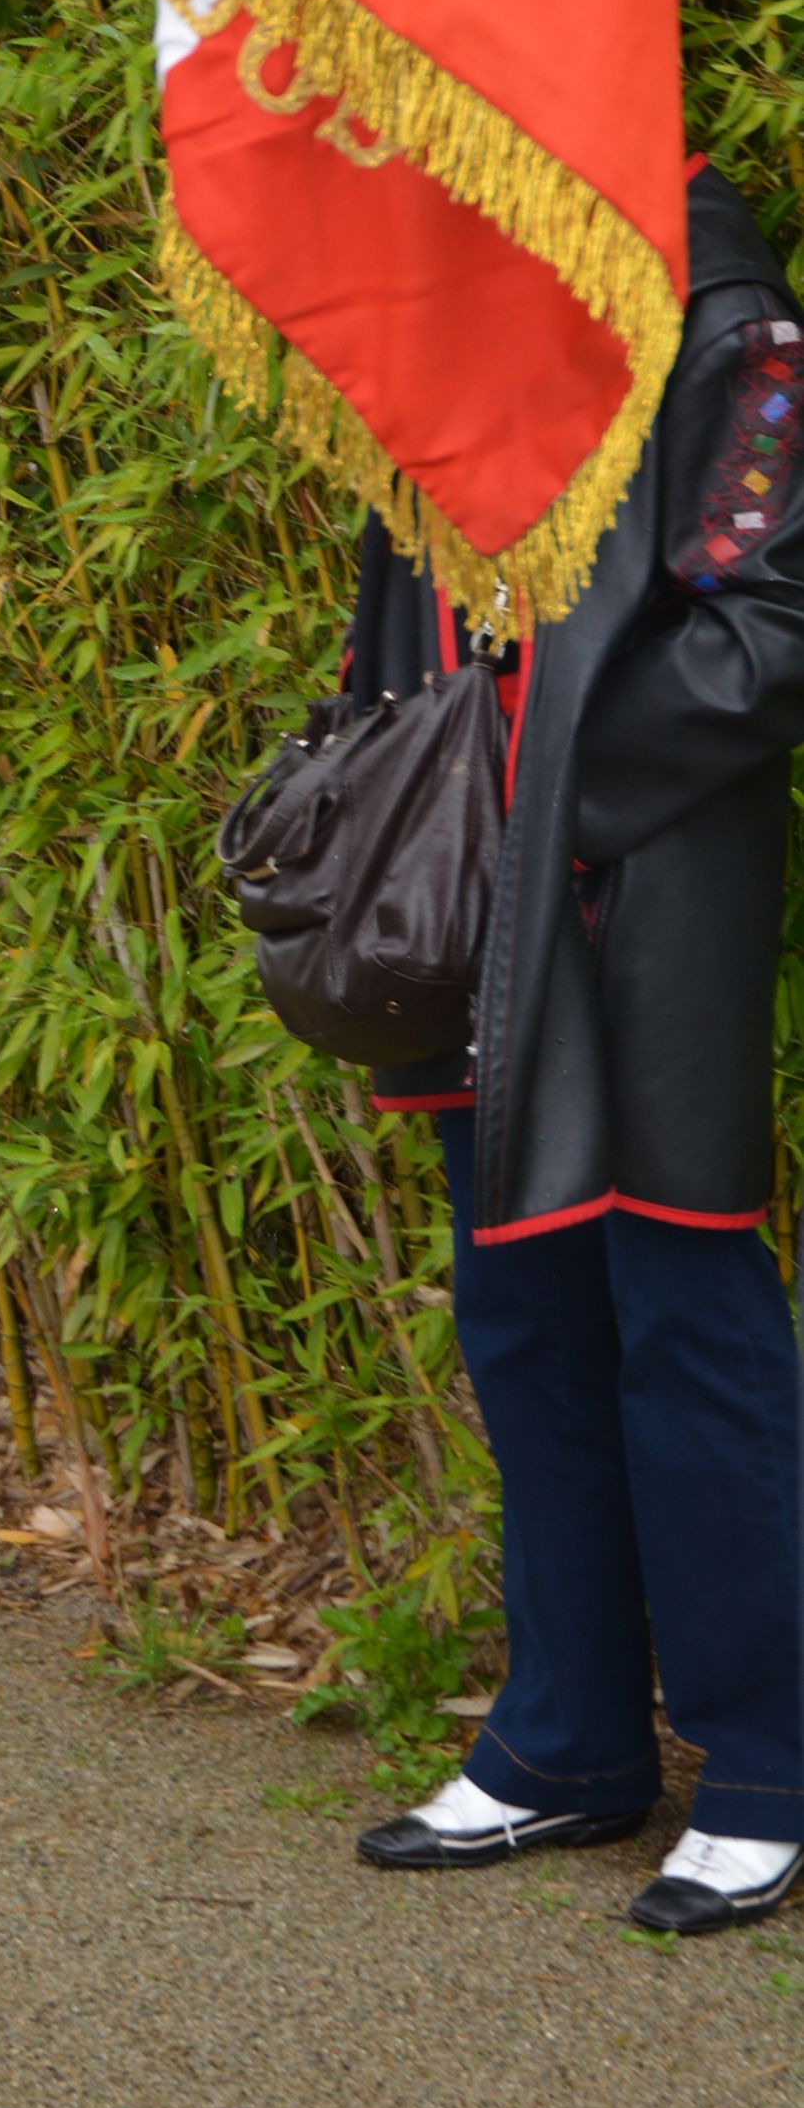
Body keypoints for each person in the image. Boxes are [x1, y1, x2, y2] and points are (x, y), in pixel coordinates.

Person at [353, 156, 804, 1936]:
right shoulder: (431, 287)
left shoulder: (723, 314)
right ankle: (568, 1737)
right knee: (520, 1304)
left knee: (682, 1307)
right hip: (468, 897)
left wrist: (555, 802)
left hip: (646, 891)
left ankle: (763, 1763)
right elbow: (401, 610)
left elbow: (769, 625)